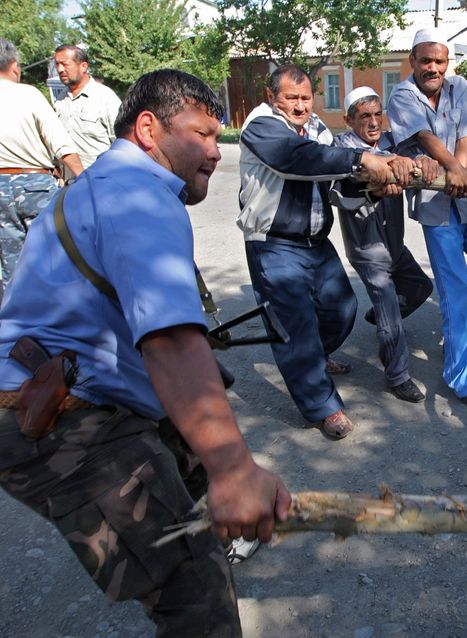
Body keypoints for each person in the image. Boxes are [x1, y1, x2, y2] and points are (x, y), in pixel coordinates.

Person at [0, 69, 289, 636]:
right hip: (57, 415)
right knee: (193, 590)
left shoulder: (97, 185)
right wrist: (232, 468)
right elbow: (171, 341)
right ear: (149, 129)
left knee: (196, 458)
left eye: (216, 136)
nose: (213, 151)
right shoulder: (140, 196)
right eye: (201, 134)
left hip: (74, 388)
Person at [239, 65, 401, 435]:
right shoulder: (261, 125)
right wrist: (362, 159)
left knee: (341, 310)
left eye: (306, 98)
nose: (300, 106)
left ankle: (312, 359)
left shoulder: (317, 128)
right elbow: (298, 160)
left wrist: (373, 188)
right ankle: (322, 407)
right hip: (274, 244)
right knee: (295, 327)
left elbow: (334, 183)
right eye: (291, 98)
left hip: (315, 242)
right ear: (271, 97)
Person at [387, 28, 467, 409]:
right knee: (455, 291)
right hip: (436, 210)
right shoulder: (403, 94)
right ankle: (466, 381)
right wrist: (451, 169)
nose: (432, 68)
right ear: (413, 62)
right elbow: (424, 138)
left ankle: (461, 339)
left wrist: (460, 175)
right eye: (425, 61)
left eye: (439, 61)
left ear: (447, 63)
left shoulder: (459, 87)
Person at [331, 86, 435, 401]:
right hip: (367, 249)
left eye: (377, 114)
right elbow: (338, 194)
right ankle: (397, 376)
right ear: (349, 119)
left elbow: (416, 155)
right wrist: (374, 189)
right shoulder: (340, 148)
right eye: (365, 116)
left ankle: (381, 319)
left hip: (394, 244)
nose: (374, 122)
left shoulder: (392, 140)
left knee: (420, 289)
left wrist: (424, 160)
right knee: (390, 312)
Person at [0, 38, 83, 293]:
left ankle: (17, 326)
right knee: (56, 260)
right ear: (14, 67)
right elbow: (62, 145)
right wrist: (86, 181)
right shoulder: (28, 94)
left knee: (10, 268)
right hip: (34, 187)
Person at [53, 44, 121, 172]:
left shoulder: (105, 97)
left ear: (83, 66)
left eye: (65, 64)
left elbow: (121, 142)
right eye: (57, 64)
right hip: (69, 183)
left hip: (101, 180)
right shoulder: (60, 101)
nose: (60, 69)